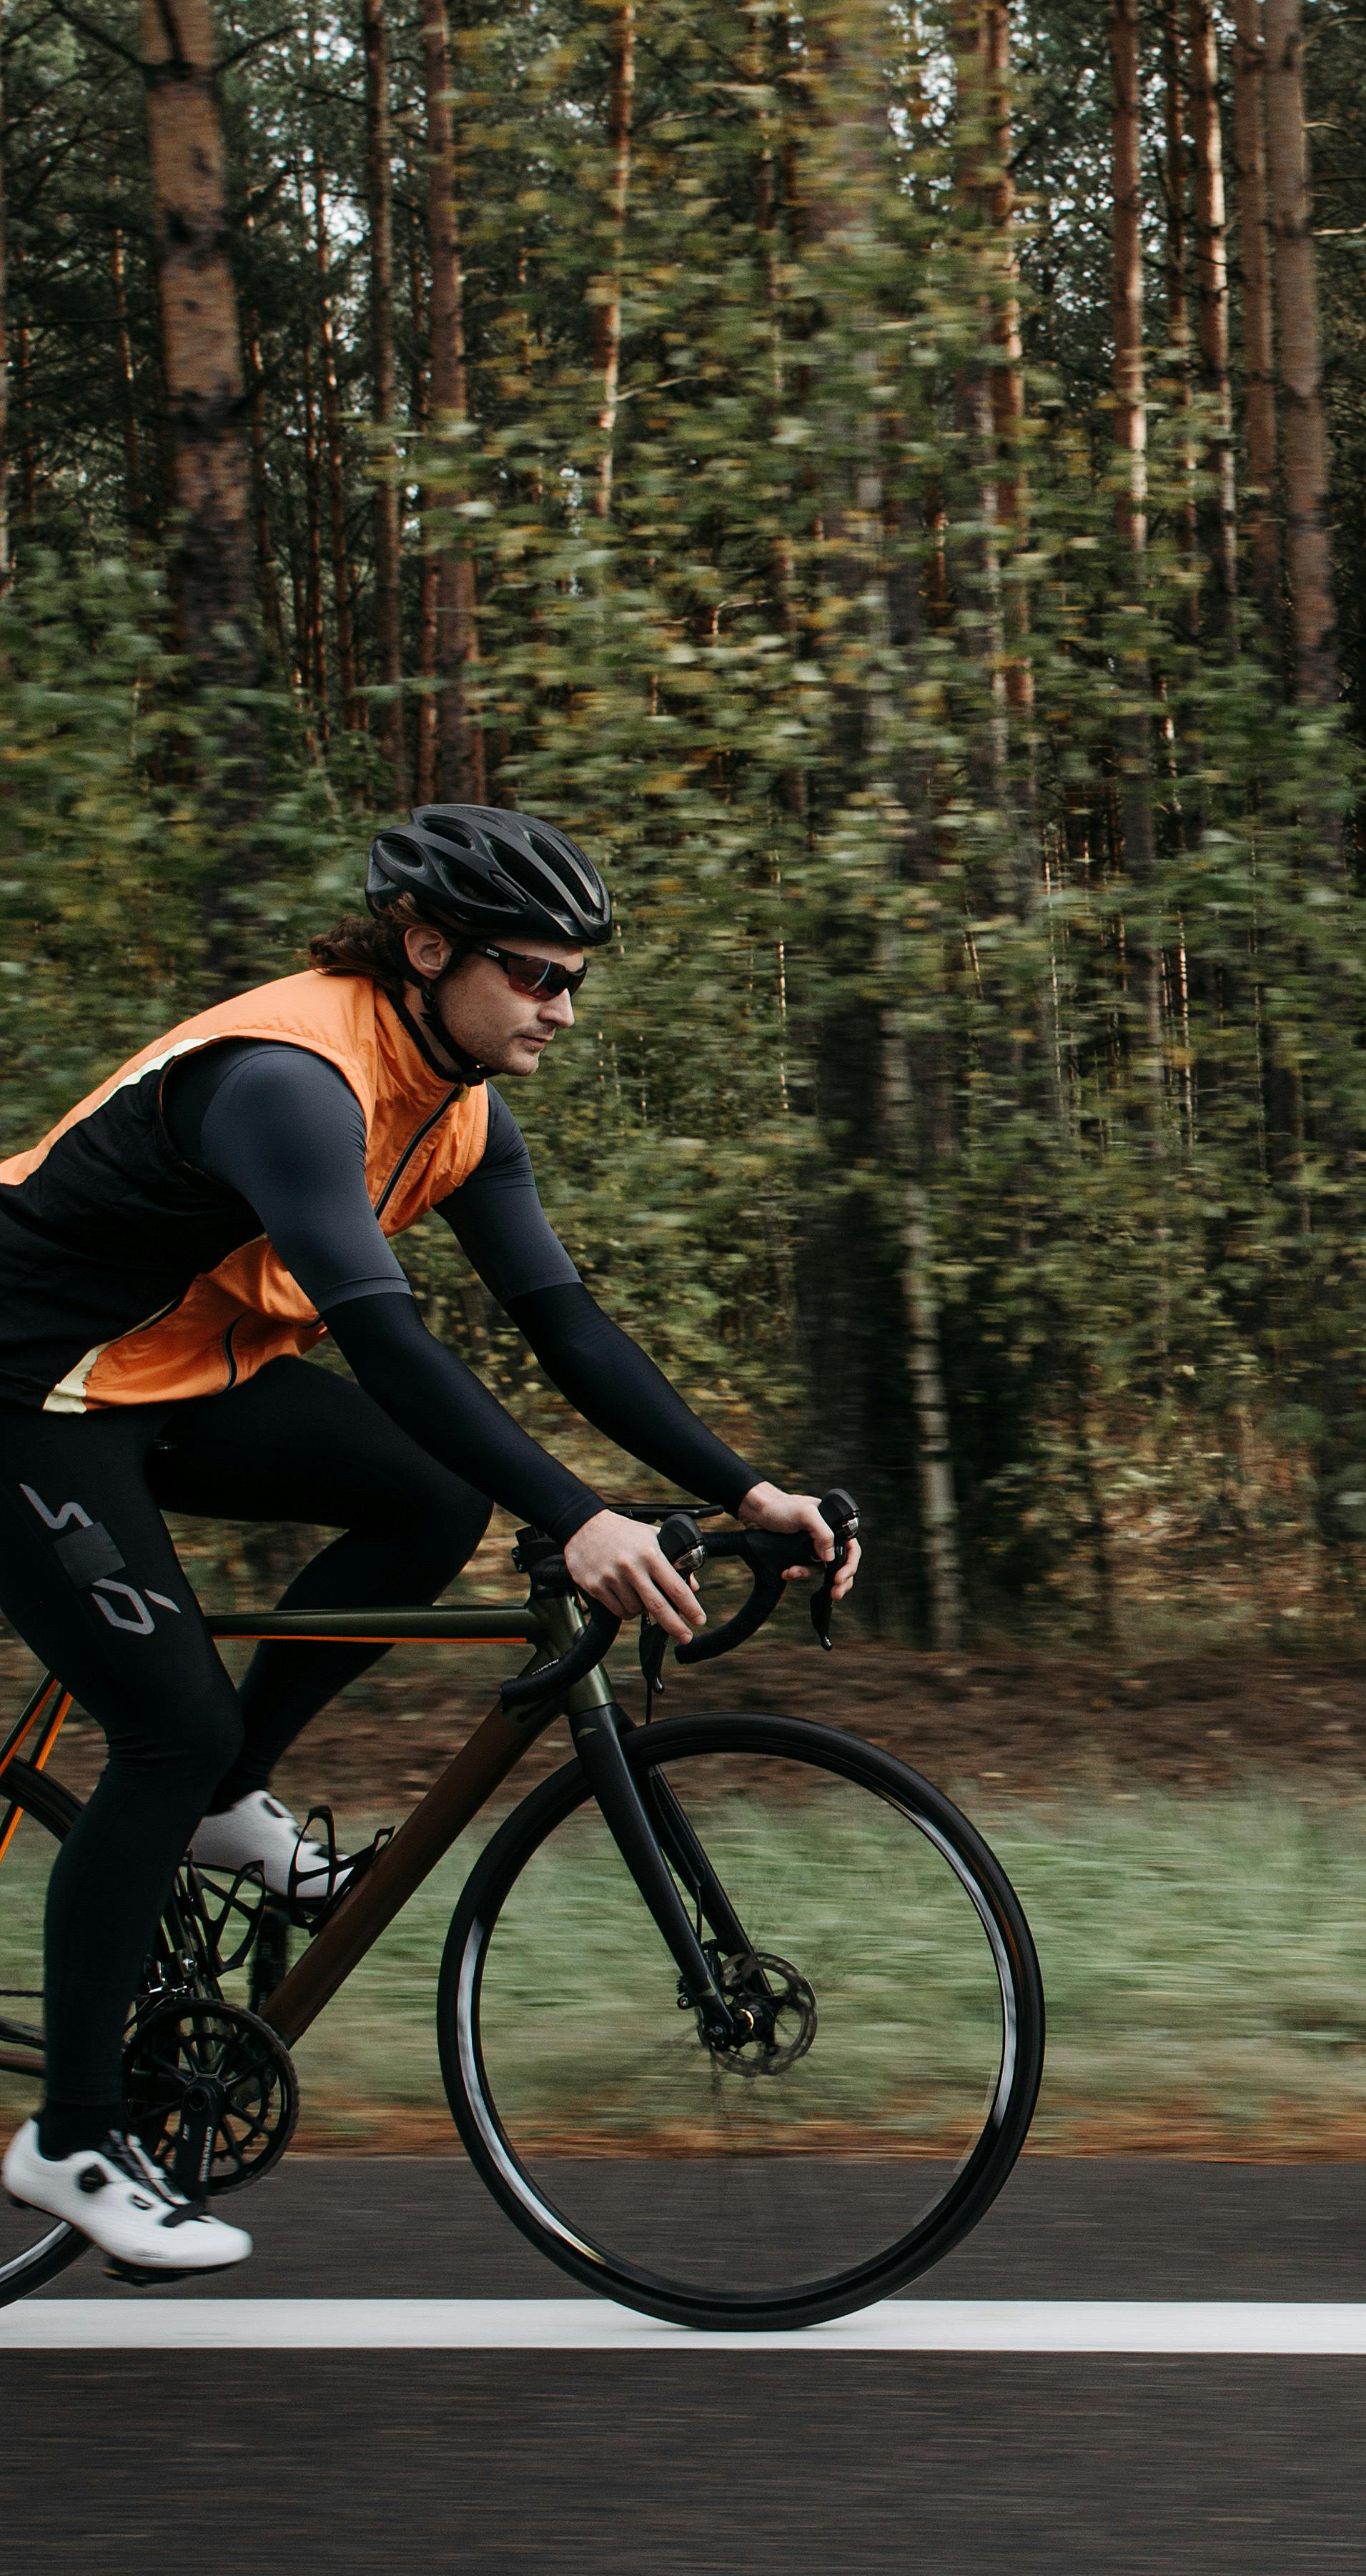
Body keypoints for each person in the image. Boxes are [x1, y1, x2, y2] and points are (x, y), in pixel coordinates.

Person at [0, 807, 860, 2279]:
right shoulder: (291, 1079)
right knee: (162, 1722)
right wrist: (577, 1517)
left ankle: (227, 1797)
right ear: (424, 947)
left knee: (426, 1500)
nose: (563, 1007)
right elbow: (383, 1338)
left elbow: (564, 1325)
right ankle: (75, 2134)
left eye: (576, 976)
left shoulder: (457, 1101)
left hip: (161, 1370)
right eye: (534, 974)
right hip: (24, 1387)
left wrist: (745, 1486)